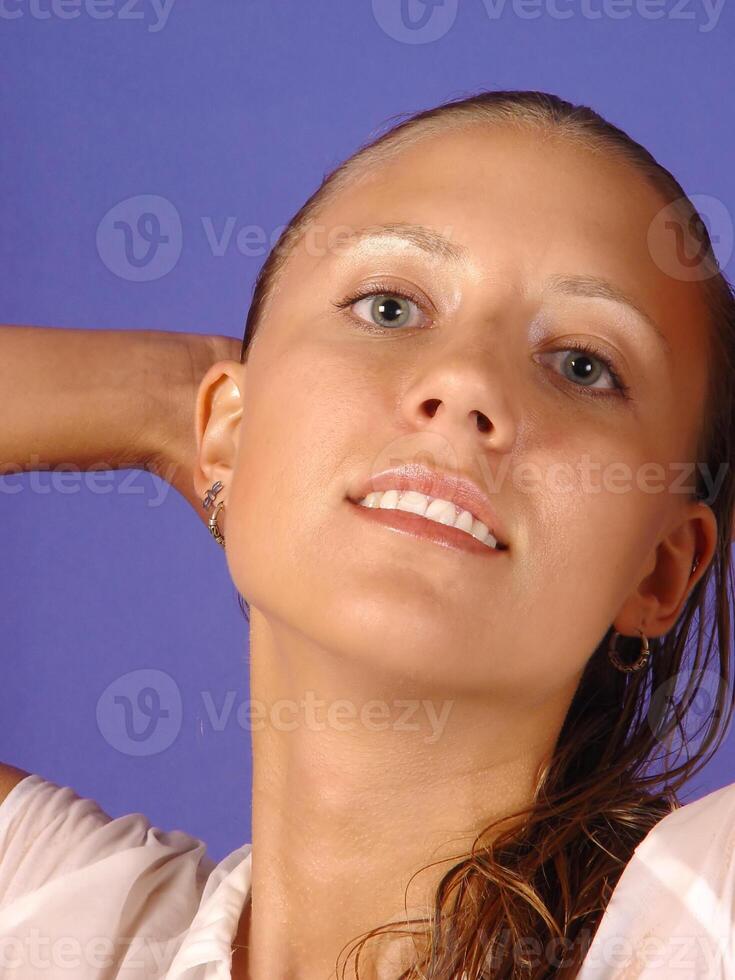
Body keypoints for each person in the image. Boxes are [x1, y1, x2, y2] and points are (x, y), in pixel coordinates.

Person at [1, 88, 734, 979]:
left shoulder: (695, 925)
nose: (464, 379)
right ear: (227, 429)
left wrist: (220, 418)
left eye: (583, 365)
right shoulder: (80, 935)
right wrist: (179, 402)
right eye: (389, 307)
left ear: (660, 570)